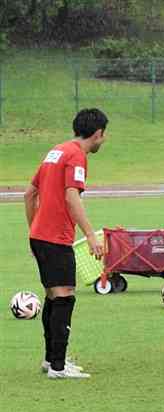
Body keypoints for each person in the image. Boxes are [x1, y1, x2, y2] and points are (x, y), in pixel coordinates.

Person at [23, 108, 108, 379]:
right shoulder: (76, 156)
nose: (103, 141)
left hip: (41, 235)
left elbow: (29, 194)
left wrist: (33, 230)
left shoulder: (55, 150)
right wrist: (92, 236)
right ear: (97, 134)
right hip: (55, 238)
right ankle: (58, 367)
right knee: (64, 297)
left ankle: (51, 361)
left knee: (53, 296)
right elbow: (73, 197)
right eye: (103, 136)